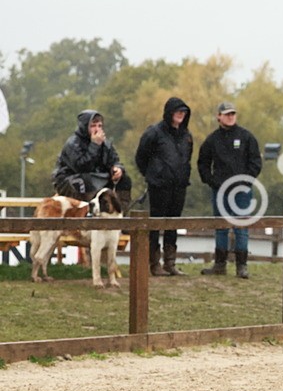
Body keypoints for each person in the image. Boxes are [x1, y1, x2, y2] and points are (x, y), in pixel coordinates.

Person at [197, 101, 262, 279]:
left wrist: (246, 181)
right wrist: (211, 181)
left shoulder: (246, 137)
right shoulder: (212, 140)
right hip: (220, 191)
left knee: (241, 226)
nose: (230, 116)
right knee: (221, 227)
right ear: (219, 116)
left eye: (233, 113)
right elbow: (203, 163)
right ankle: (220, 264)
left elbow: (255, 162)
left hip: (242, 191)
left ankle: (242, 265)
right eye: (226, 114)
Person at [135, 97, 193, 276]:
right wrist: (153, 175)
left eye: (184, 112)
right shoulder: (154, 132)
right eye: (178, 112)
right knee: (155, 223)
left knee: (173, 223)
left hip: (179, 185)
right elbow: (141, 157)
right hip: (159, 186)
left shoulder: (187, 136)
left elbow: (187, 158)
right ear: (169, 113)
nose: (181, 115)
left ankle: (170, 262)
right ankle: (154, 263)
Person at [52, 109, 133, 206]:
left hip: (95, 176)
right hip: (70, 178)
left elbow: (114, 160)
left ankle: (118, 211)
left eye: (99, 126)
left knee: (125, 179)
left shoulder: (105, 144)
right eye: (93, 126)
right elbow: (82, 167)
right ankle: (88, 210)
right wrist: (95, 145)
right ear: (85, 127)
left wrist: (118, 168)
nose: (97, 129)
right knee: (85, 181)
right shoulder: (73, 143)